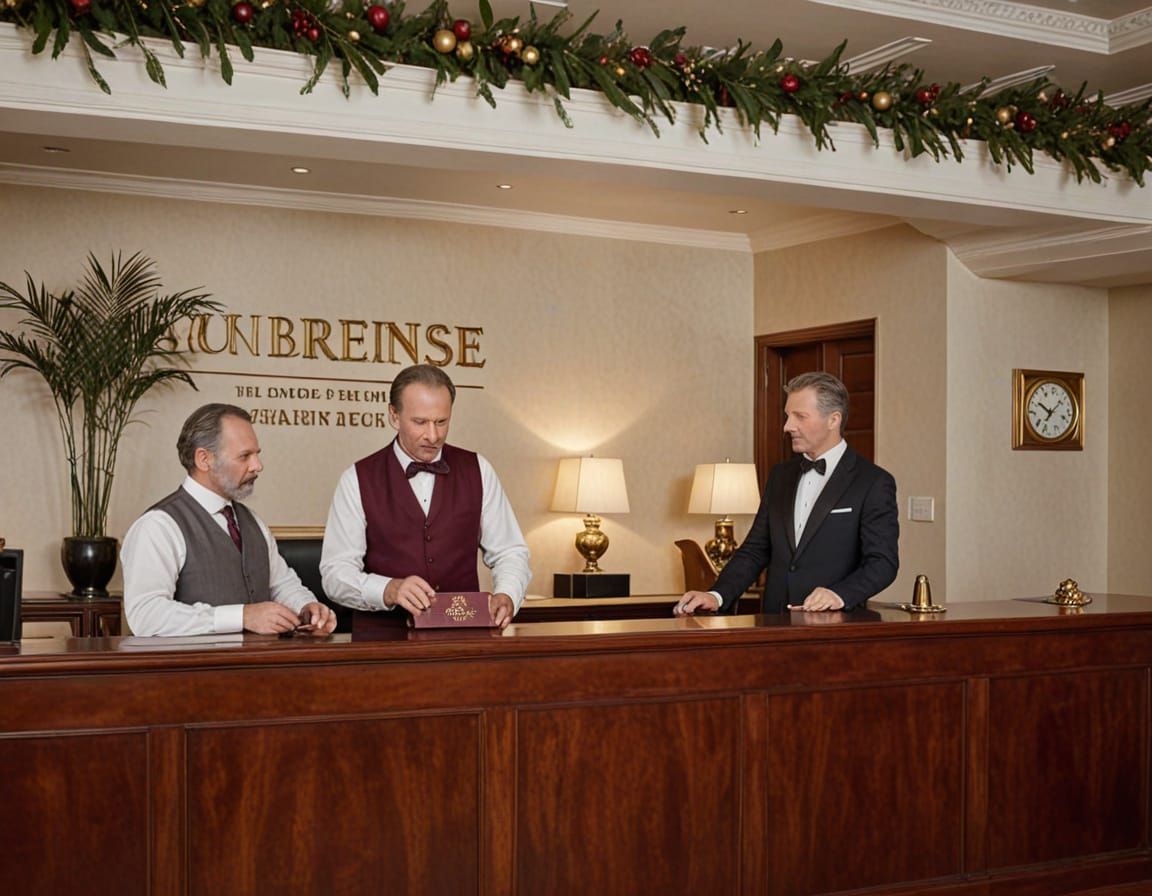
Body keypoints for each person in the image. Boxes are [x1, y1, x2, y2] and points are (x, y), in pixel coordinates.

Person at [320, 364, 530, 629]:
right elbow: (336, 574)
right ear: (394, 416)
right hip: (383, 643)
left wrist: (507, 593)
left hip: (463, 638)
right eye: (420, 422)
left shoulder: (478, 470)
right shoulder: (356, 479)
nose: (433, 435)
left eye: (441, 422)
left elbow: (510, 551)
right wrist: (389, 589)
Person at [675, 371, 898, 616]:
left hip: (836, 625)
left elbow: (882, 563)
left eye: (800, 416)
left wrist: (839, 594)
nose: (787, 426)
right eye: (788, 416)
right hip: (774, 620)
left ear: (833, 420)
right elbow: (755, 549)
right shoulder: (780, 475)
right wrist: (716, 595)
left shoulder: (874, 482)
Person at [121, 404, 336, 637]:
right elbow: (146, 616)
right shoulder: (158, 526)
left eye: (256, 454)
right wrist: (242, 617)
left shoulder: (253, 522)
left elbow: (281, 584)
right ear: (204, 459)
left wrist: (306, 607)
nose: (258, 466)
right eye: (245, 456)